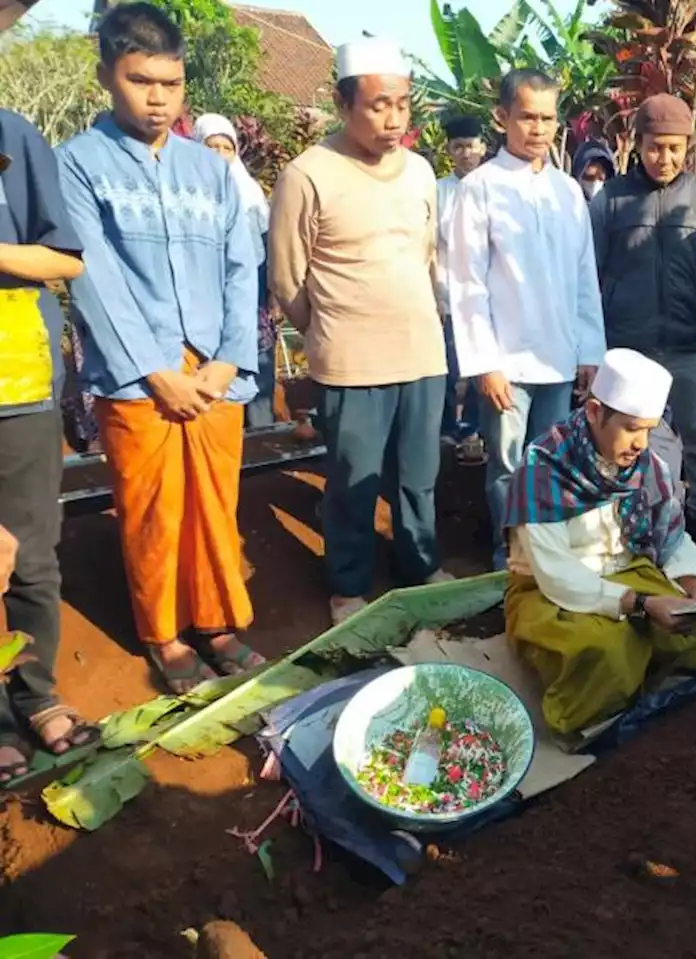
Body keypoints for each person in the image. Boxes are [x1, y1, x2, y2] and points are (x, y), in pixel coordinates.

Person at [58, 3, 263, 693]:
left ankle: (218, 623)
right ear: (105, 77)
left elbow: (243, 265)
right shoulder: (79, 165)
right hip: (138, 378)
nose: (157, 98)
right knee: (153, 511)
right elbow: (92, 275)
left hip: (216, 371)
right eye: (141, 81)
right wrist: (155, 373)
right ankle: (166, 634)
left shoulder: (208, 172)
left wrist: (229, 358)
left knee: (215, 507)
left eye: (170, 84)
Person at [271, 37, 451, 626]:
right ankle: (348, 587)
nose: (393, 118)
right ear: (343, 103)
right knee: (350, 485)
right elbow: (288, 278)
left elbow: (426, 259)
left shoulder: (422, 172)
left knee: (418, 480)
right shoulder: (307, 175)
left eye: (401, 104)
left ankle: (418, 569)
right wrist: (330, 331)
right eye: (378, 105)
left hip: (423, 356)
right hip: (351, 365)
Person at [504, 348, 696, 735]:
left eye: (649, 429)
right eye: (632, 428)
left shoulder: (647, 466)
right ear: (595, 412)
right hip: (553, 591)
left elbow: (670, 536)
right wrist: (642, 604)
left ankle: (674, 683)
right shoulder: (542, 470)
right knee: (608, 649)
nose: (640, 443)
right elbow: (556, 573)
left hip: (630, 572)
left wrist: (694, 580)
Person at [448, 68, 605, 570]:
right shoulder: (479, 189)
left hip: (558, 356)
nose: (537, 128)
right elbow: (466, 283)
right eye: (526, 117)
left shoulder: (567, 192)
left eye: (547, 117)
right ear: (502, 117)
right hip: (507, 363)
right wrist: (484, 363)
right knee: (508, 465)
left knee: (553, 462)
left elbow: (585, 276)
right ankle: (509, 556)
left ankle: (549, 552)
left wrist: (590, 351)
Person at [590, 93, 696, 561]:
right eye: (655, 147)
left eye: (674, 148)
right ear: (639, 143)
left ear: (687, 146)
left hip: (685, 343)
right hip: (627, 348)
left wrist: (687, 298)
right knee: (622, 436)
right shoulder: (611, 200)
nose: (665, 157)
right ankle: (621, 514)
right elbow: (590, 267)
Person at [0, 110, 100, 784]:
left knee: (31, 552)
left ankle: (34, 692)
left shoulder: (14, 135)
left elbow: (65, 255)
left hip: (18, 377)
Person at [193, 113, 275, 430]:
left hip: (252, 295)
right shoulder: (191, 192)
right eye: (211, 147)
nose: (219, 155)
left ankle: (262, 432)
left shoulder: (249, 191)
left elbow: (266, 244)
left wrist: (272, 295)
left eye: (225, 148)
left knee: (257, 360)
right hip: (208, 300)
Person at [434, 113, 486, 459]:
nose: (466, 153)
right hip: (450, 294)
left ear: (483, 147)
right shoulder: (438, 191)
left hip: (486, 297)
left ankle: (475, 429)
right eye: (458, 147)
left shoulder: (494, 187)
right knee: (449, 370)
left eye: (471, 145)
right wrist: (437, 295)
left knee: (482, 369)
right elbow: (432, 246)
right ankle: (447, 430)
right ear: (449, 151)